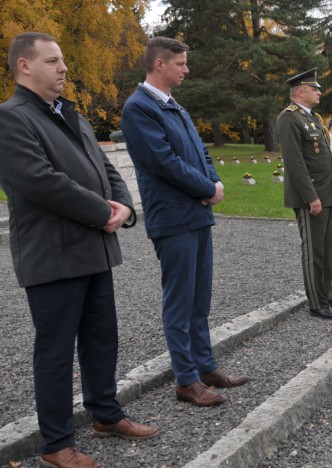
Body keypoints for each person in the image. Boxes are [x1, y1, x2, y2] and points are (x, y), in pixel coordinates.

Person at [0, 32, 157, 468]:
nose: (64, 68)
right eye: (52, 61)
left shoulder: (71, 114)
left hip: (93, 250)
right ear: (24, 66)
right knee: (55, 352)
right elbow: (39, 180)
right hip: (53, 257)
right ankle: (56, 444)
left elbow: (106, 167)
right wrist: (99, 210)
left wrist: (124, 206)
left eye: (63, 60)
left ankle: (106, 415)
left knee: (101, 338)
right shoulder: (11, 118)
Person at [121, 37, 250, 408]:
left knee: (199, 298)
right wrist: (206, 187)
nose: (186, 69)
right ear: (159, 65)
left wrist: (215, 181)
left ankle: (205, 366)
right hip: (173, 217)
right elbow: (163, 162)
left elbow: (200, 150)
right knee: (179, 301)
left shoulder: (174, 106)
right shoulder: (139, 109)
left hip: (195, 213)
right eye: (180, 63)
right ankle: (186, 379)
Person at [277, 68, 332, 320]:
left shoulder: (314, 117)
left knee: (326, 250)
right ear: (300, 91)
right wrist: (311, 196)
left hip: (326, 194)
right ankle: (316, 302)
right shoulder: (289, 118)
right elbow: (295, 162)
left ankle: (328, 295)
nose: (319, 92)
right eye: (314, 88)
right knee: (313, 250)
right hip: (311, 197)